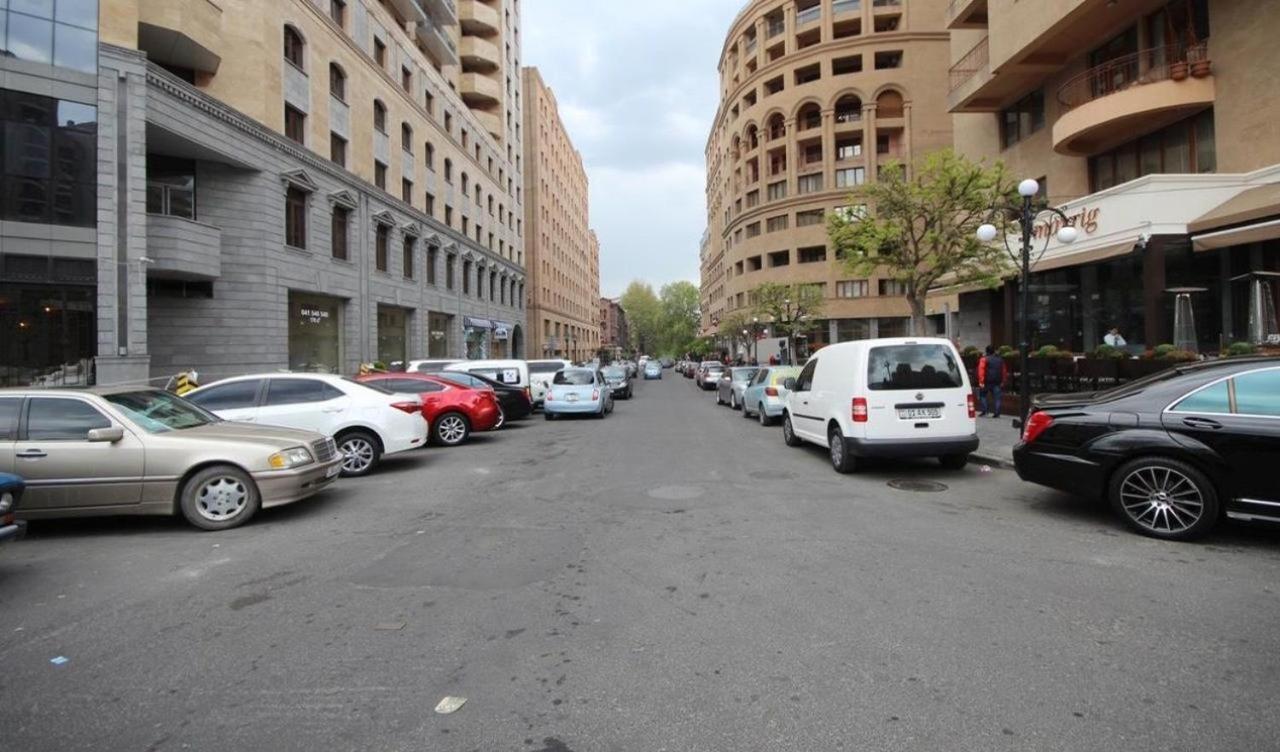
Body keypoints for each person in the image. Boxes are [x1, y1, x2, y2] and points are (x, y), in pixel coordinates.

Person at [977, 345, 1007, 418]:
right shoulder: (1000, 359)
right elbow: (1004, 371)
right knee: (997, 398)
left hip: (986, 381)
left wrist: (981, 381)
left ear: (986, 351)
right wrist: (1003, 380)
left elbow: (981, 370)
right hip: (997, 381)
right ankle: (997, 413)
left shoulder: (984, 359)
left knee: (982, 395)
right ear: (994, 351)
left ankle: (985, 410)